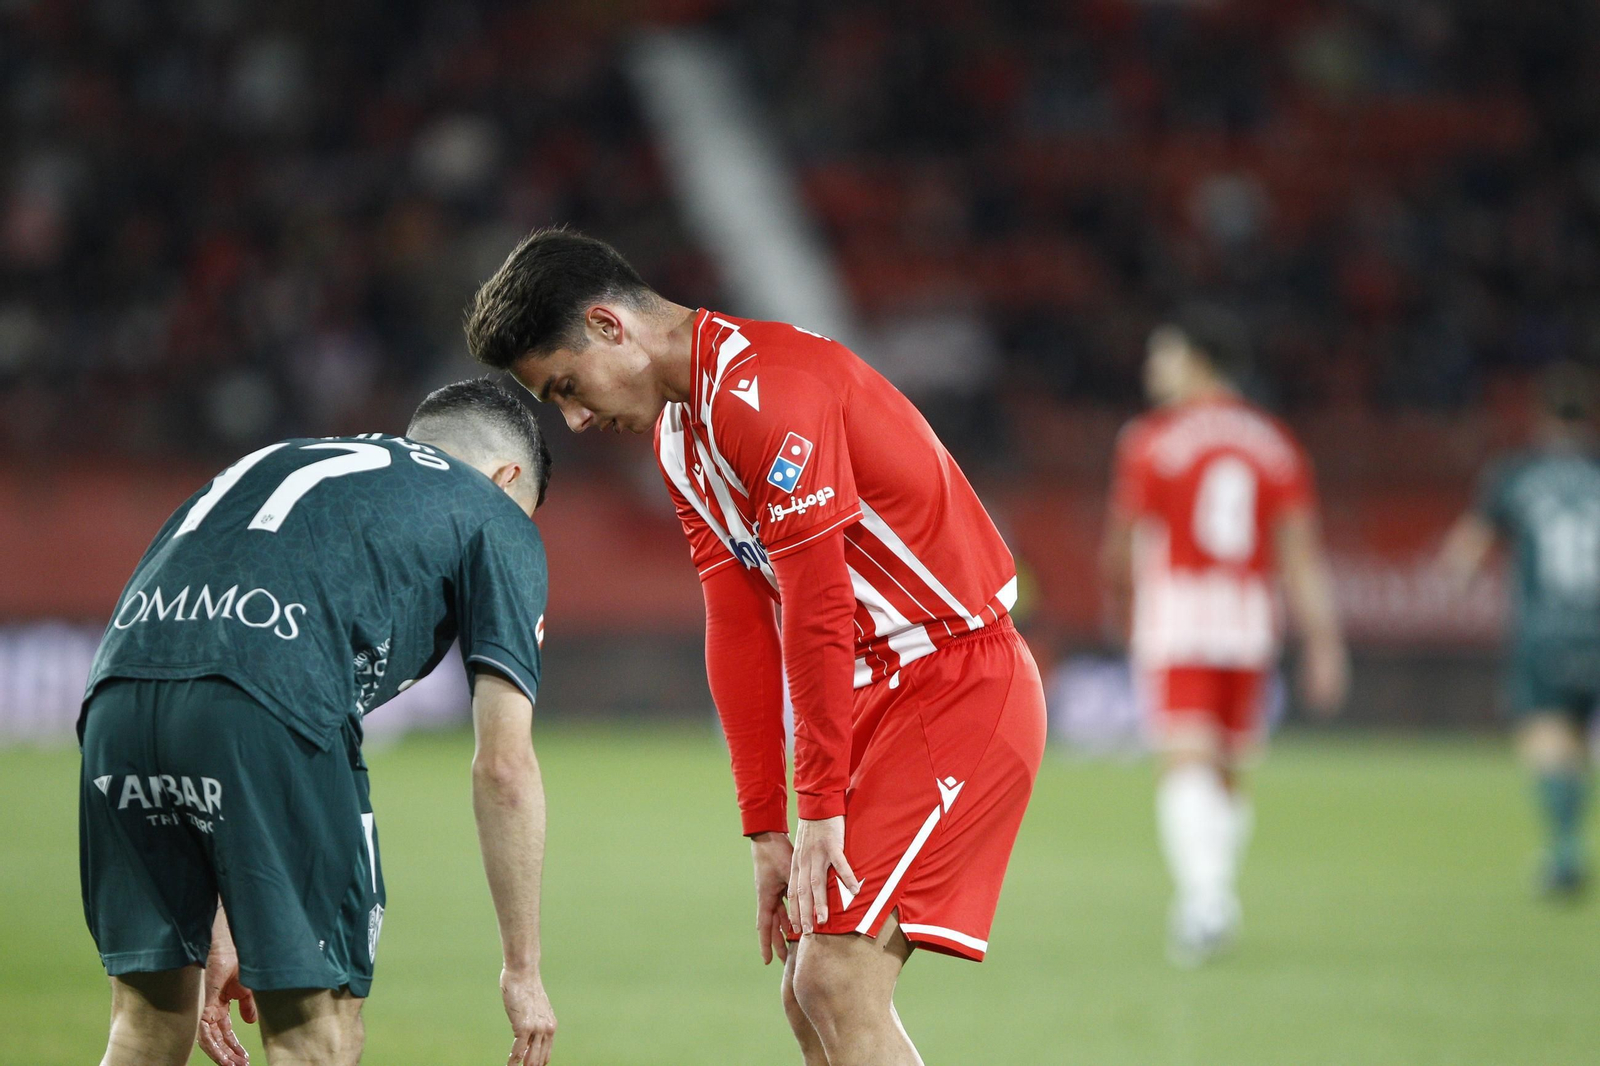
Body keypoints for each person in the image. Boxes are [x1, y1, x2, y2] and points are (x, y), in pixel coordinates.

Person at [464, 227, 1047, 1066]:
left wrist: (819, 811)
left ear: (608, 326)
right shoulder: (681, 436)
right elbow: (738, 624)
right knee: (810, 994)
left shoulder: (766, 392)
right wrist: (765, 827)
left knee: (836, 980)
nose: (576, 419)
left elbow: (816, 606)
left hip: (953, 677)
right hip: (877, 692)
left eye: (566, 387)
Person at [79, 378, 558, 1066]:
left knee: (147, 1018)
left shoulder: (290, 460)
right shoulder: (492, 510)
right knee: (316, 1033)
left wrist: (216, 916)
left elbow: (211, 653)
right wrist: (523, 968)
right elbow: (505, 764)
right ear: (506, 477)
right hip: (268, 705)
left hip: (118, 694)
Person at [1100, 307, 1348, 966]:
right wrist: (1324, 642)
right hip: (1248, 616)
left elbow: (1123, 539)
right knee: (1229, 770)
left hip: (1179, 611)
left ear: (1199, 361)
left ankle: (1205, 900)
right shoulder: (1274, 442)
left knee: (1185, 760)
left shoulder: (1152, 439)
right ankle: (1212, 897)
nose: (1154, 367)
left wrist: (1120, 603)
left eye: (1165, 354)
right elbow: (1299, 552)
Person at [1440, 361, 1600, 897]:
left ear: (1540, 417)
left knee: (1547, 737)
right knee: (1580, 739)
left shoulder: (1516, 473)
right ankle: (1571, 839)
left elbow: (1466, 552)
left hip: (1544, 631)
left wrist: (1454, 585)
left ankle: (1564, 847)